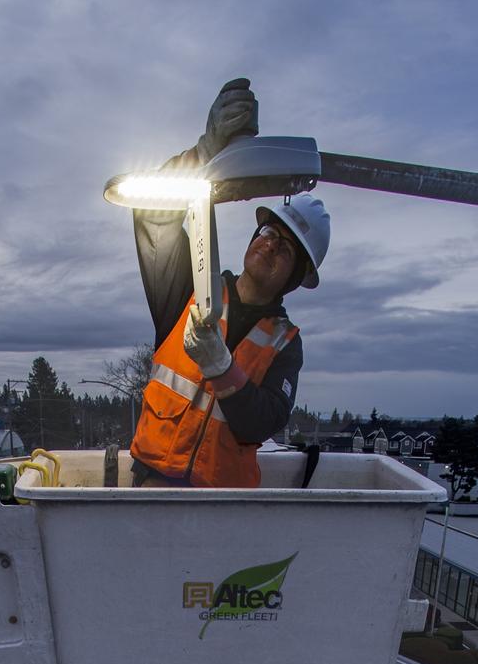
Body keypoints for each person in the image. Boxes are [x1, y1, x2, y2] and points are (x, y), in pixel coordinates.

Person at [129, 78, 330, 488]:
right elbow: (152, 213)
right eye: (269, 234)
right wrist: (205, 155)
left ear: (295, 277)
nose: (271, 246)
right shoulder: (190, 288)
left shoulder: (285, 343)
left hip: (220, 508)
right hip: (151, 489)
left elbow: (262, 422)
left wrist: (221, 367)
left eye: (287, 249)